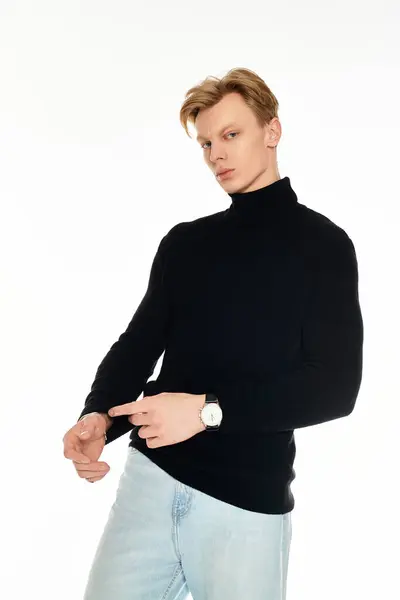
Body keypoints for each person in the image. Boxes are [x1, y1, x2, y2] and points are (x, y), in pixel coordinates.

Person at [63, 67, 364, 600]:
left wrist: (206, 412)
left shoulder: (323, 247)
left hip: (244, 507)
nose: (216, 155)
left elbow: (335, 388)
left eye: (231, 134)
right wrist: (99, 418)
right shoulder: (185, 244)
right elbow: (137, 346)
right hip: (150, 483)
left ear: (271, 131)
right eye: (205, 143)